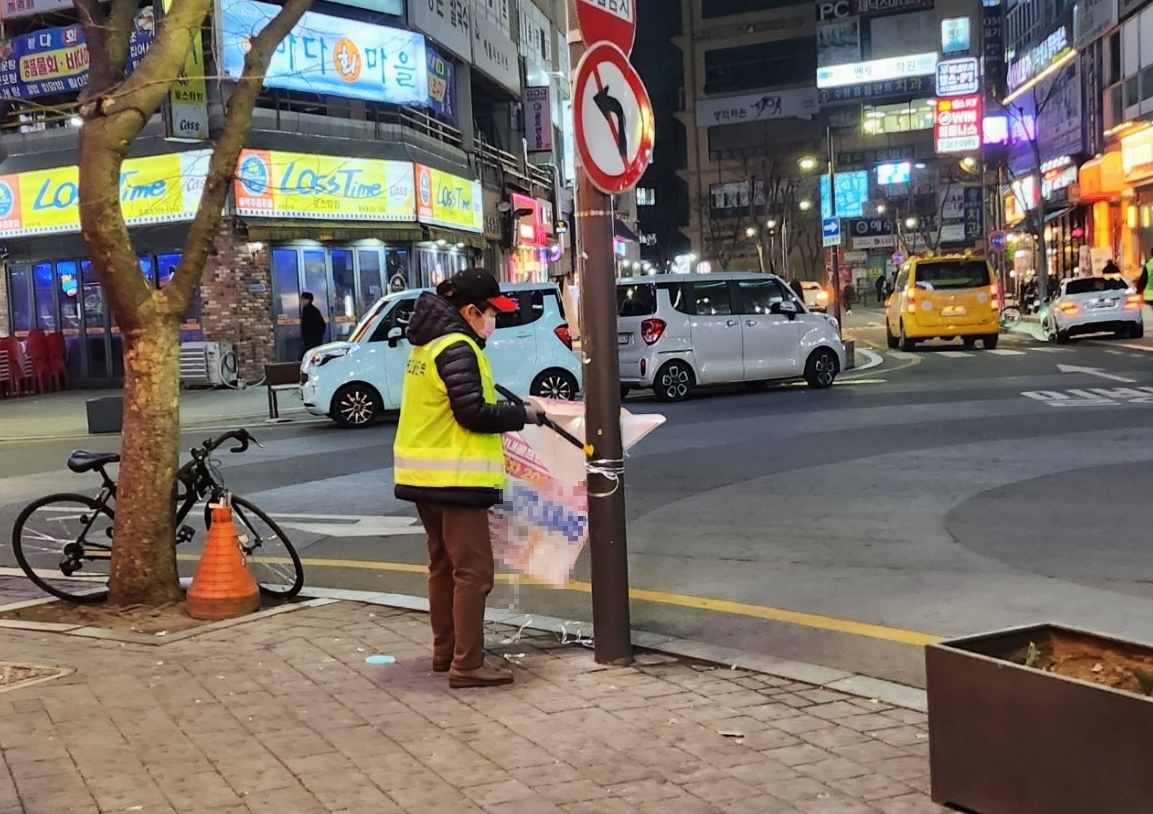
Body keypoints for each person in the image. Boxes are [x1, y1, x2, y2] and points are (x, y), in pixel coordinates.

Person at [393, 268, 544, 689]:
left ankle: (446, 652)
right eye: (491, 312)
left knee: (443, 566)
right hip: (454, 477)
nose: (493, 321)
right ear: (470, 310)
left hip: (423, 473)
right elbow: (473, 413)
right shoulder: (457, 345)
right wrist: (522, 415)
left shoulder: (428, 343)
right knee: (474, 573)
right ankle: (467, 664)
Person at [300, 292, 327, 356]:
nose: (301, 301)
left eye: (302, 299)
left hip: (312, 341)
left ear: (307, 300)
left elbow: (320, 325)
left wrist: (316, 336)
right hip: (312, 340)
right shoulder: (309, 310)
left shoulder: (310, 311)